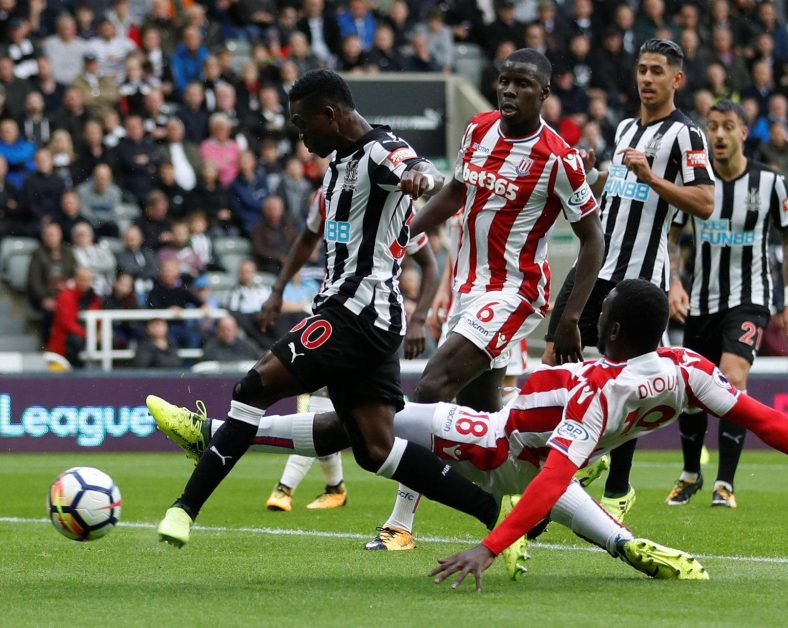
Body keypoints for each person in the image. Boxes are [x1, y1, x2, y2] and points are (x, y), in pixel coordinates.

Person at [149, 279, 788, 587]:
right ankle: (629, 547)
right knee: (551, 488)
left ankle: (216, 432)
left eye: (600, 317)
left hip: (487, 448)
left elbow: (550, 474)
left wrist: (489, 540)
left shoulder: (596, 388)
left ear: (610, 329)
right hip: (535, 464)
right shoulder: (686, 369)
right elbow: (766, 418)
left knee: (366, 427)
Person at [153, 69, 506, 549]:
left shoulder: (381, 152)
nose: (301, 138)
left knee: (252, 387)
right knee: (376, 450)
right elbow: (310, 235)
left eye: (303, 125)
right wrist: (279, 289)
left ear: (330, 115)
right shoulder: (337, 168)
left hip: (355, 312)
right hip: (369, 317)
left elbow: (419, 166)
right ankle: (497, 512)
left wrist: (421, 176)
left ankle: (184, 507)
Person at [364, 47, 604, 550]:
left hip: (514, 291)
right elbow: (454, 194)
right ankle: (548, 488)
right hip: (467, 289)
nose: (509, 91)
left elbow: (592, 238)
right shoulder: (478, 129)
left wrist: (571, 316)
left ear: (544, 93)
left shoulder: (559, 158)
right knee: (485, 429)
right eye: (504, 81)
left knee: (432, 387)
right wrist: (402, 236)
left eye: (521, 84)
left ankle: (400, 523)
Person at [543, 38, 715, 520]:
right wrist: (588, 175)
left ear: (676, 79)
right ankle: (577, 459)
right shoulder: (622, 129)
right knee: (557, 357)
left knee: (631, 381)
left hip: (641, 277)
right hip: (596, 265)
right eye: (642, 69)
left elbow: (705, 201)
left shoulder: (686, 136)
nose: (647, 78)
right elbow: (613, 194)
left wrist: (653, 179)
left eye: (657, 70)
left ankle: (617, 489)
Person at [664, 100, 788, 508]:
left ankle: (725, 484)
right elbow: (671, 236)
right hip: (702, 302)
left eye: (728, 126)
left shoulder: (770, 184)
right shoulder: (695, 183)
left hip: (751, 298)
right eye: (713, 127)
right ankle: (691, 473)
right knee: (691, 392)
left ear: (744, 133)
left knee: (732, 378)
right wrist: (674, 282)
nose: (720, 135)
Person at [263, 231, 440, 515]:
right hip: (335, 322)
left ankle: (310, 488)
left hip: (373, 330)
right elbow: (308, 237)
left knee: (357, 433)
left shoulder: (393, 215)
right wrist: (278, 289)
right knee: (319, 417)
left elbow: (427, 259)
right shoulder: (337, 206)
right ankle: (318, 488)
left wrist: (419, 316)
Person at [47, 268, 102, 367]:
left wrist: (98, 332)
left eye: (88, 280)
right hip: (66, 340)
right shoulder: (66, 296)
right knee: (75, 342)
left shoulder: (94, 297)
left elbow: (98, 320)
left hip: (85, 335)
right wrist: (88, 334)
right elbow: (67, 323)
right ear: (76, 279)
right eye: (82, 280)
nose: (85, 283)